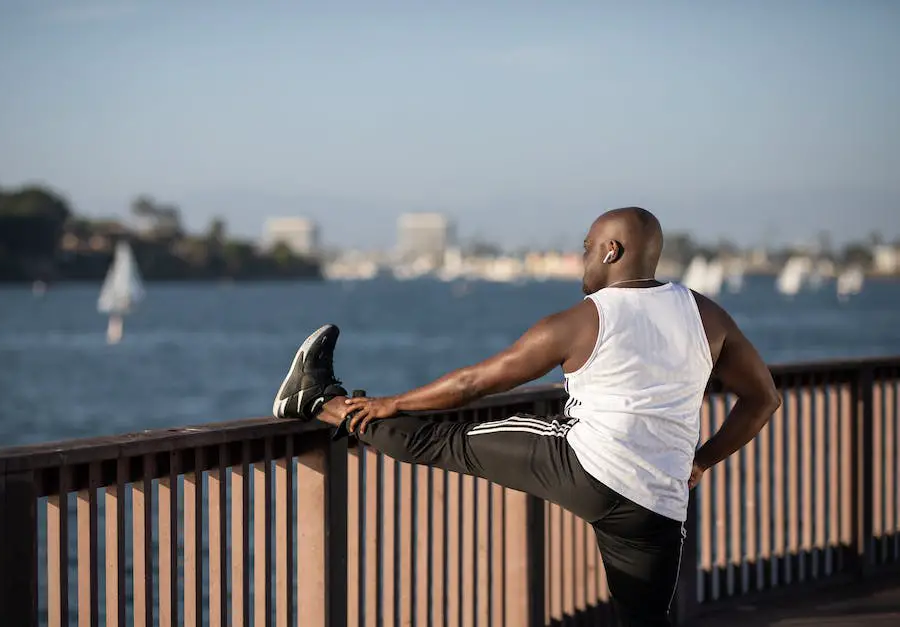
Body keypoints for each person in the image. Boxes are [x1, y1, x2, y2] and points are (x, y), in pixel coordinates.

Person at [271, 207, 781, 626]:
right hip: (659, 503)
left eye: (586, 246)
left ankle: (318, 401)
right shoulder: (706, 314)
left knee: (447, 441)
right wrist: (703, 461)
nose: (581, 258)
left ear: (612, 251)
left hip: (589, 468)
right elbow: (764, 400)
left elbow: (475, 383)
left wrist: (390, 402)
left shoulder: (586, 319)